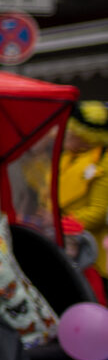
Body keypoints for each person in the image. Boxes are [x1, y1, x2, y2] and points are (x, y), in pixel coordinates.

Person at [59, 102, 108, 285]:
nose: (66, 133)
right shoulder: (66, 158)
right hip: (66, 248)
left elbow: (98, 212)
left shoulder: (103, 161)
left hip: (93, 254)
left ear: (86, 136)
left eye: (72, 130)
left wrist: (60, 223)